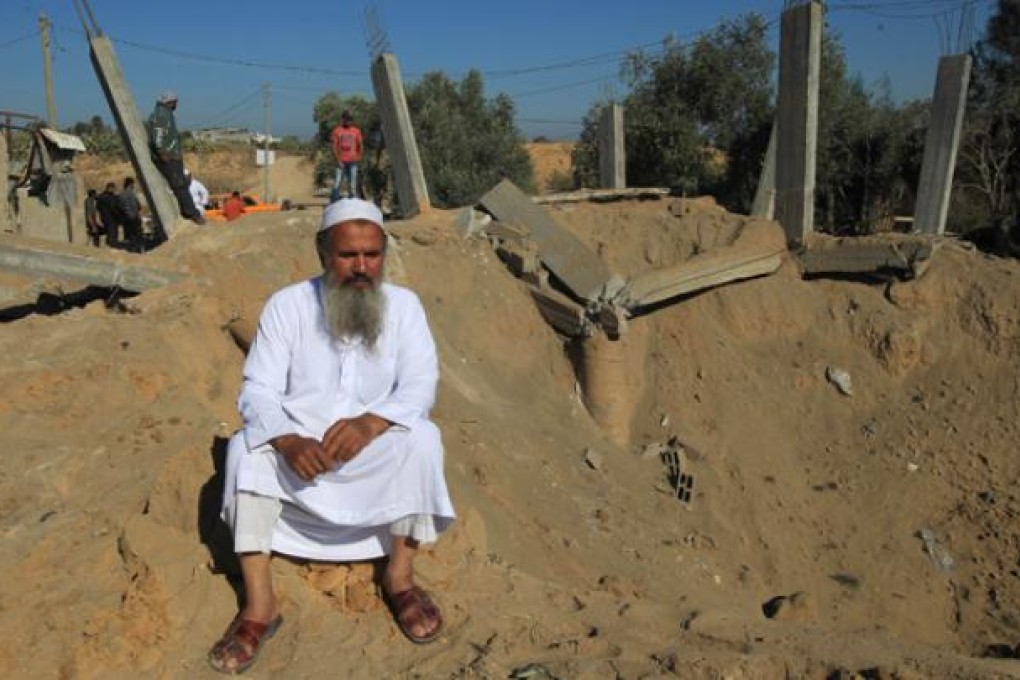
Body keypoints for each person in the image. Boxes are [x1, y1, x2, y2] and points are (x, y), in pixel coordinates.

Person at [207, 198, 455, 674]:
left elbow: (421, 384)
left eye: (372, 255)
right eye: (348, 256)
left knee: (423, 439)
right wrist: (285, 440)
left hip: (372, 453)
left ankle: (399, 577)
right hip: (302, 458)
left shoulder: (404, 307)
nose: (362, 267)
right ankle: (261, 606)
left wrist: (371, 423)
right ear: (323, 252)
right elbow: (257, 388)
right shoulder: (288, 305)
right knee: (244, 449)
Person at [147, 91, 205, 225]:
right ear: (170, 102)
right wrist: (162, 152)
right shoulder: (161, 115)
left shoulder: (166, 114)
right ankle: (191, 213)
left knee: (181, 183)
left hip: (173, 155)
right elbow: (158, 134)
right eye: (175, 102)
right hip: (168, 157)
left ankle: (188, 211)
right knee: (179, 184)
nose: (176, 104)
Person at [330, 110, 363, 201]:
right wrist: (338, 160)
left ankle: (352, 202)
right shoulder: (337, 131)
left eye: (350, 119)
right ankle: (334, 201)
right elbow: (334, 147)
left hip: (353, 161)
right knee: (337, 183)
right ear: (343, 119)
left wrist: (359, 157)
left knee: (352, 184)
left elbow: (360, 145)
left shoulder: (356, 131)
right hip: (341, 161)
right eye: (347, 119)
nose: (349, 121)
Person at [118, 177, 144, 253]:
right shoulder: (131, 194)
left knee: (129, 236)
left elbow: (120, 207)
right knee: (137, 235)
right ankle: (137, 250)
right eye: (133, 184)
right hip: (133, 218)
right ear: (130, 184)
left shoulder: (121, 195)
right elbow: (137, 206)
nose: (134, 186)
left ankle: (130, 250)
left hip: (126, 219)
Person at [95, 182, 122, 247]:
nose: (114, 190)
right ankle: (112, 248)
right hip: (112, 219)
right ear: (110, 188)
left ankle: (109, 246)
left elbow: (98, 208)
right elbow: (115, 208)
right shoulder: (112, 197)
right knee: (112, 236)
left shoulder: (100, 197)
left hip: (104, 218)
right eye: (113, 188)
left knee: (109, 234)